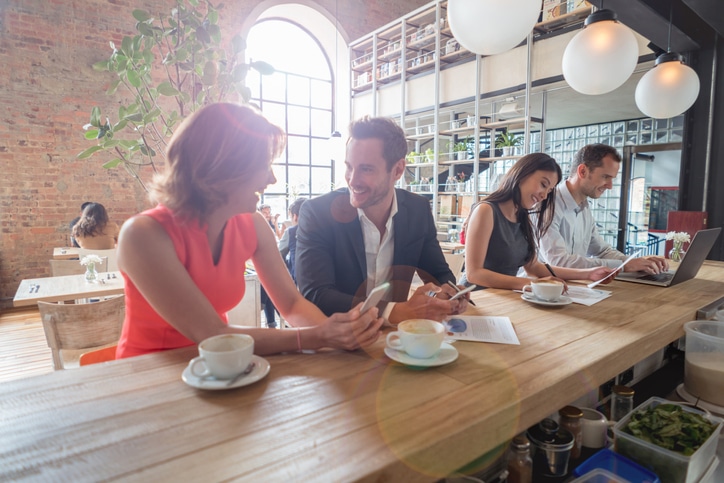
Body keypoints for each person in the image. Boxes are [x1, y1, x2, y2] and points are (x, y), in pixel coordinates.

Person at [115, 103, 383, 359]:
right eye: (263, 165)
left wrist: (340, 337)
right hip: (146, 376)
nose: (272, 178)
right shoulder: (143, 235)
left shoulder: (252, 224)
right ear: (223, 168)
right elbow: (212, 334)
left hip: (223, 368)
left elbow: (292, 305)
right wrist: (317, 337)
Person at [296, 116, 467, 325]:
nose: (352, 179)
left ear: (397, 170)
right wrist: (393, 312)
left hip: (395, 339)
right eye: (349, 166)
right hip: (335, 341)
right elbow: (316, 294)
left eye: (366, 169)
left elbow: (438, 272)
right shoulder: (318, 213)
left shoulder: (417, 210)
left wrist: (451, 293)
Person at [460, 153, 615, 290]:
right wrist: (529, 284)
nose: (544, 195)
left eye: (549, 191)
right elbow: (474, 274)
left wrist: (589, 274)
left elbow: (533, 267)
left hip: (504, 297)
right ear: (522, 174)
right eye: (543, 184)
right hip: (477, 299)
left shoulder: (523, 216)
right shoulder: (486, 210)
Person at [537, 144, 668, 274]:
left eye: (612, 179)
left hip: (572, 287)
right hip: (540, 290)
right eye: (605, 177)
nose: (610, 186)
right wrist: (623, 266)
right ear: (582, 171)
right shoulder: (547, 204)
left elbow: (602, 251)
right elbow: (558, 262)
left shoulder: (583, 207)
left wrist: (636, 263)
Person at [278, 197, 307, 282]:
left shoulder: (291, 232)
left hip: (300, 282)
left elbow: (278, 257)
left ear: (295, 216)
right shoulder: (324, 230)